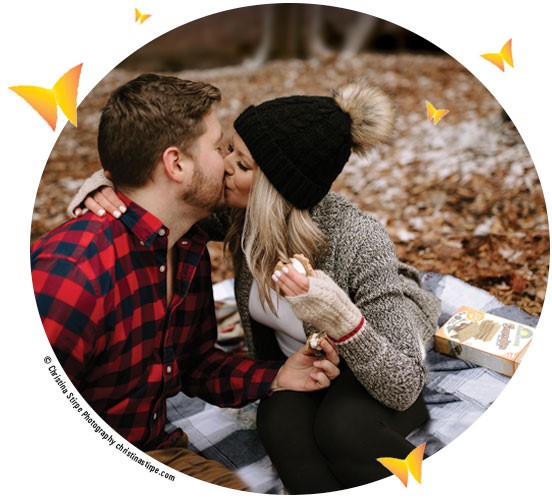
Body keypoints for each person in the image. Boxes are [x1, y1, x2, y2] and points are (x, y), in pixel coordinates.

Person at [70, 79, 442, 494]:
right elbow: (157, 186)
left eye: (242, 164)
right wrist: (102, 189)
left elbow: (404, 381)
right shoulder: (238, 216)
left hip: (375, 375)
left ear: (276, 187)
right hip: (302, 371)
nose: (224, 165)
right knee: (281, 425)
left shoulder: (358, 238)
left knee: (342, 428)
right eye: (228, 149)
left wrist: (339, 317)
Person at [31, 73, 341, 492]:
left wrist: (276, 377)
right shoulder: (74, 273)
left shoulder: (186, 241)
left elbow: (192, 364)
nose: (228, 161)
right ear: (176, 164)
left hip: (157, 449)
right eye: (219, 148)